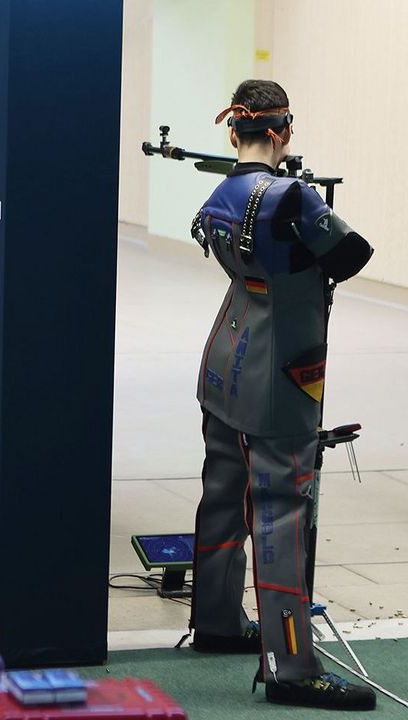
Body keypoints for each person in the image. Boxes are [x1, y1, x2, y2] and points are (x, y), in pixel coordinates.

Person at [187, 80, 375, 710]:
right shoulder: (292, 197)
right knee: (282, 514)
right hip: (279, 376)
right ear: (283, 130)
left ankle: (214, 621)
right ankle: (290, 667)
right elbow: (351, 254)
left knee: (222, 496)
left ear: (233, 131)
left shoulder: (221, 192)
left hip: (225, 361)